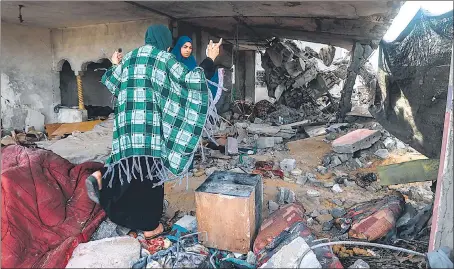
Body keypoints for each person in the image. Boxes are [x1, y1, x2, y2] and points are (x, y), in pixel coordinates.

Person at [85, 25, 222, 239]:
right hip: (149, 130)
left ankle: (101, 177)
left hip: (126, 126)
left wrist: (114, 63)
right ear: (167, 42)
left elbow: (112, 81)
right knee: (148, 176)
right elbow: (190, 81)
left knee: (127, 168)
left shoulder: (131, 57)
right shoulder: (163, 59)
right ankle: (149, 226)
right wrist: (210, 59)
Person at [171, 36, 223, 104]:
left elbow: (198, 75)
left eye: (190, 48)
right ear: (179, 46)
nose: (188, 50)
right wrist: (210, 59)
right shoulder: (172, 61)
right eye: (185, 47)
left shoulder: (191, 60)